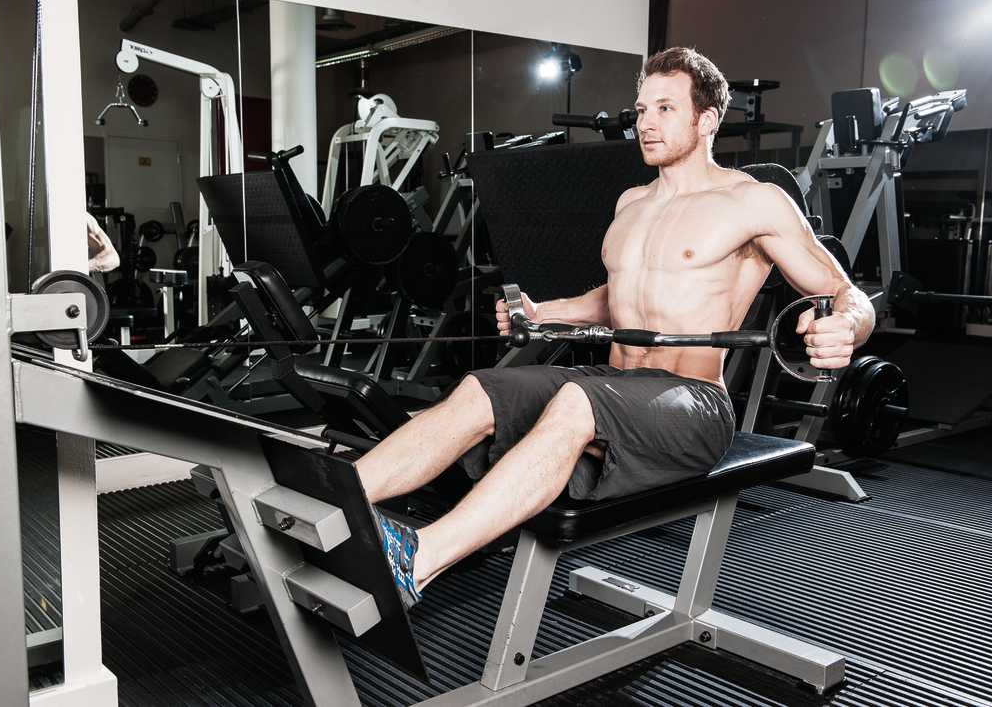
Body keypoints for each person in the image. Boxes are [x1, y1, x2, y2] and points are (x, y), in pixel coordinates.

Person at [359, 47, 875, 609]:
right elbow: (616, 298)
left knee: (580, 398)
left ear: (707, 120)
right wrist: (544, 312)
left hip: (693, 405)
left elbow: (845, 293)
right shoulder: (631, 202)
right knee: (482, 388)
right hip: (615, 387)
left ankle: (421, 558)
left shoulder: (753, 202)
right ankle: (340, 501)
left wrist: (845, 325)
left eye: (665, 108)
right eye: (641, 108)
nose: (645, 122)